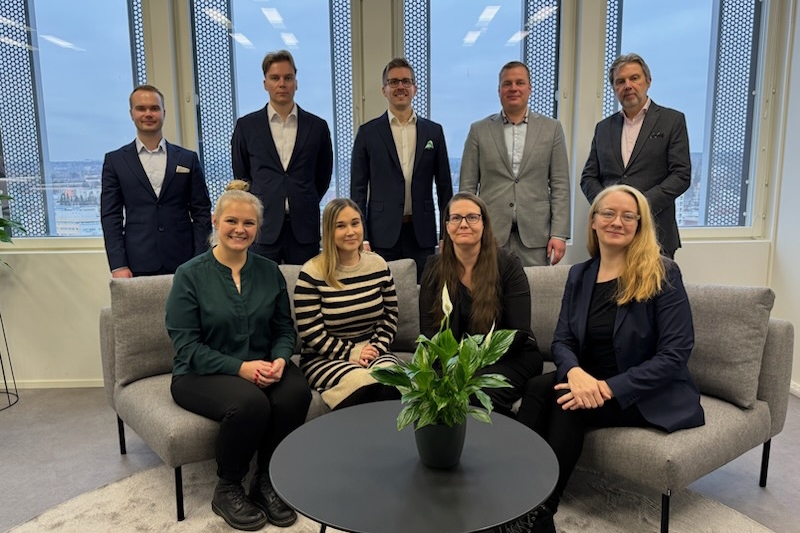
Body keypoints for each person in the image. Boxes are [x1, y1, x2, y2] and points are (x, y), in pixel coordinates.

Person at [511, 184, 705, 533]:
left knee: (566, 402)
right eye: (609, 213)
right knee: (539, 386)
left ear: (640, 225)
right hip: (591, 376)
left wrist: (607, 388)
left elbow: (675, 354)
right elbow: (563, 339)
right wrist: (574, 372)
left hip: (644, 390)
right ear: (594, 221)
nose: (617, 221)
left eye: (628, 216)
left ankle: (540, 513)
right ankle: (512, 493)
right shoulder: (580, 274)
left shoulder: (662, 272)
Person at [165, 180, 311, 531]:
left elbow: (284, 329)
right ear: (215, 221)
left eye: (248, 223)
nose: (239, 229)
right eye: (232, 221)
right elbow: (187, 347)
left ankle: (266, 480)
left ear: (258, 228)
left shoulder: (269, 271)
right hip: (199, 372)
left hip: (262, 363)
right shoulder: (189, 275)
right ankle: (228, 488)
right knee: (249, 403)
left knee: (295, 393)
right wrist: (240, 368)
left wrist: (281, 358)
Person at [419, 192, 543, 418]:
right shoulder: (434, 267)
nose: (463, 224)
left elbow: (518, 332)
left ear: (484, 224)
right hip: (455, 362)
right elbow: (428, 331)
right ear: (447, 226)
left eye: (472, 217)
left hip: (510, 357)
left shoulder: (508, 265)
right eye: (456, 218)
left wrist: (472, 365)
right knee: (431, 395)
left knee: (475, 392)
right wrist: (450, 369)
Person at [350, 57, 453, 281]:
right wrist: (362, 236)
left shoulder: (433, 132)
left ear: (415, 88)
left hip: (422, 234)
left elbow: (445, 188)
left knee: (424, 292)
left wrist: (446, 234)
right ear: (384, 90)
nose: (400, 87)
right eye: (393, 82)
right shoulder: (367, 133)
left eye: (406, 81)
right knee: (383, 292)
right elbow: (358, 191)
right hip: (381, 235)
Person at [580, 53, 691, 259]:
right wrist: (608, 208)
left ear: (648, 81)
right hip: (611, 234)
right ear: (614, 88)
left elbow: (681, 176)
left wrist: (638, 206)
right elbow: (588, 178)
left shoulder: (672, 121)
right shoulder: (604, 128)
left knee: (655, 282)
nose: (628, 86)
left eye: (634, 78)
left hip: (656, 233)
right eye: (620, 81)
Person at [459, 61, 570, 267]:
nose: (513, 88)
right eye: (507, 83)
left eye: (520, 83)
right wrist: (467, 229)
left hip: (537, 236)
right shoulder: (479, 130)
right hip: (490, 234)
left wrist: (559, 234)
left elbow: (560, 185)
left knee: (534, 287)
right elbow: (467, 187)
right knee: (489, 287)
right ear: (499, 90)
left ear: (530, 88)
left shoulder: (552, 128)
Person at [293, 198, 401, 410]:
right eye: (340, 226)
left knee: (392, 380)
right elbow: (310, 332)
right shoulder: (312, 273)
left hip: (374, 351)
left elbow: (390, 315)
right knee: (362, 383)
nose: (350, 232)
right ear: (328, 231)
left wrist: (376, 348)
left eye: (355, 223)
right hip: (324, 358)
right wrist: (351, 353)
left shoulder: (378, 265)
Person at [231, 49, 333, 265]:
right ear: (265, 83)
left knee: (306, 283)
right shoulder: (247, 126)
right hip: (263, 227)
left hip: (304, 228)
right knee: (261, 284)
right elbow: (242, 175)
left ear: (296, 83)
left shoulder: (317, 127)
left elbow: (323, 175)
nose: (282, 84)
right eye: (275, 78)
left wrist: (304, 196)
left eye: (288, 78)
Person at [101, 84, 211, 277]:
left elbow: (201, 212)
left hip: (184, 260)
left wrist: (200, 258)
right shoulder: (115, 161)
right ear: (131, 114)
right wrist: (118, 265)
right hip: (137, 262)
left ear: (164, 113)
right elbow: (111, 217)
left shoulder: (188, 159)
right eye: (141, 109)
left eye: (154, 108)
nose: (148, 114)